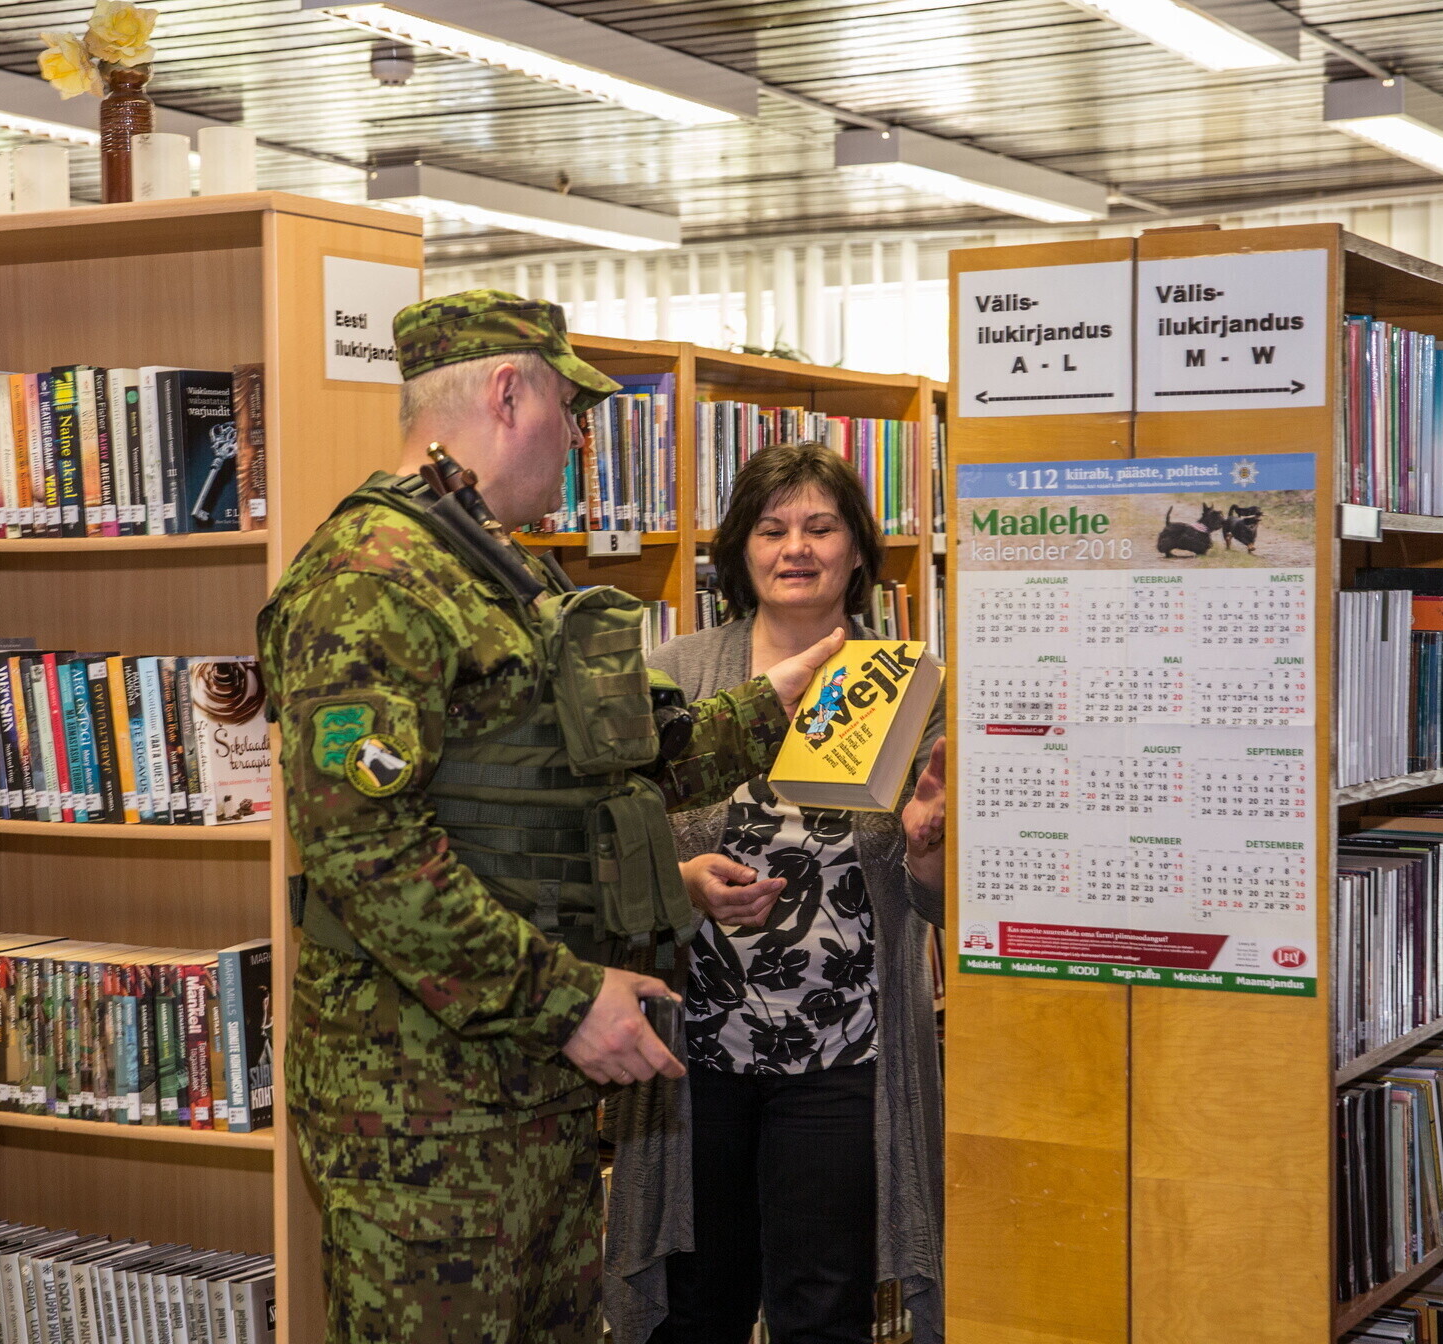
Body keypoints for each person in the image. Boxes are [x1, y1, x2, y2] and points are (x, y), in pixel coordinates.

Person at [257, 291, 849, 1344]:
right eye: (570, 412)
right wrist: (568, 1000)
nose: (579, 441)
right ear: (506, 392)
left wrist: (773, 703)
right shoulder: (368, 581)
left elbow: (602, 770)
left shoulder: (498, 572)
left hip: (531, 1084)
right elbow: (369, 856)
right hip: (422, 1105)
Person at [606, 443, 947, 1344]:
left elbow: (937, 906)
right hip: (693, 1054)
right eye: (771, 528)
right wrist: (682, 886)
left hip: (848, 1058)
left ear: (858, 550)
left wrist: (928, 849)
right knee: (697, 1309)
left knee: (824, 1311)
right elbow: (612, 845)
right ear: (740, 549)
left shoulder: (911, 686)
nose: (796, 547)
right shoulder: (675, 673)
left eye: (820, 527)